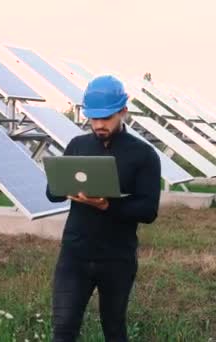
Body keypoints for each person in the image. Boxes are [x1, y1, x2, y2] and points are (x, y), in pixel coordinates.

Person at [46, 75, 161, 342]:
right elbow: (52, 194)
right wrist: (62, 187)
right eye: (93, 118)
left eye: (106, 118)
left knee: (113, 329)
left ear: (123, 111)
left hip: (117, 258)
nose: (98, 125)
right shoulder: (77, 145)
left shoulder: (143, 154)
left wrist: (108, 204)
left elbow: (148, 210)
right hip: (74, 254)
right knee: (63, 331)